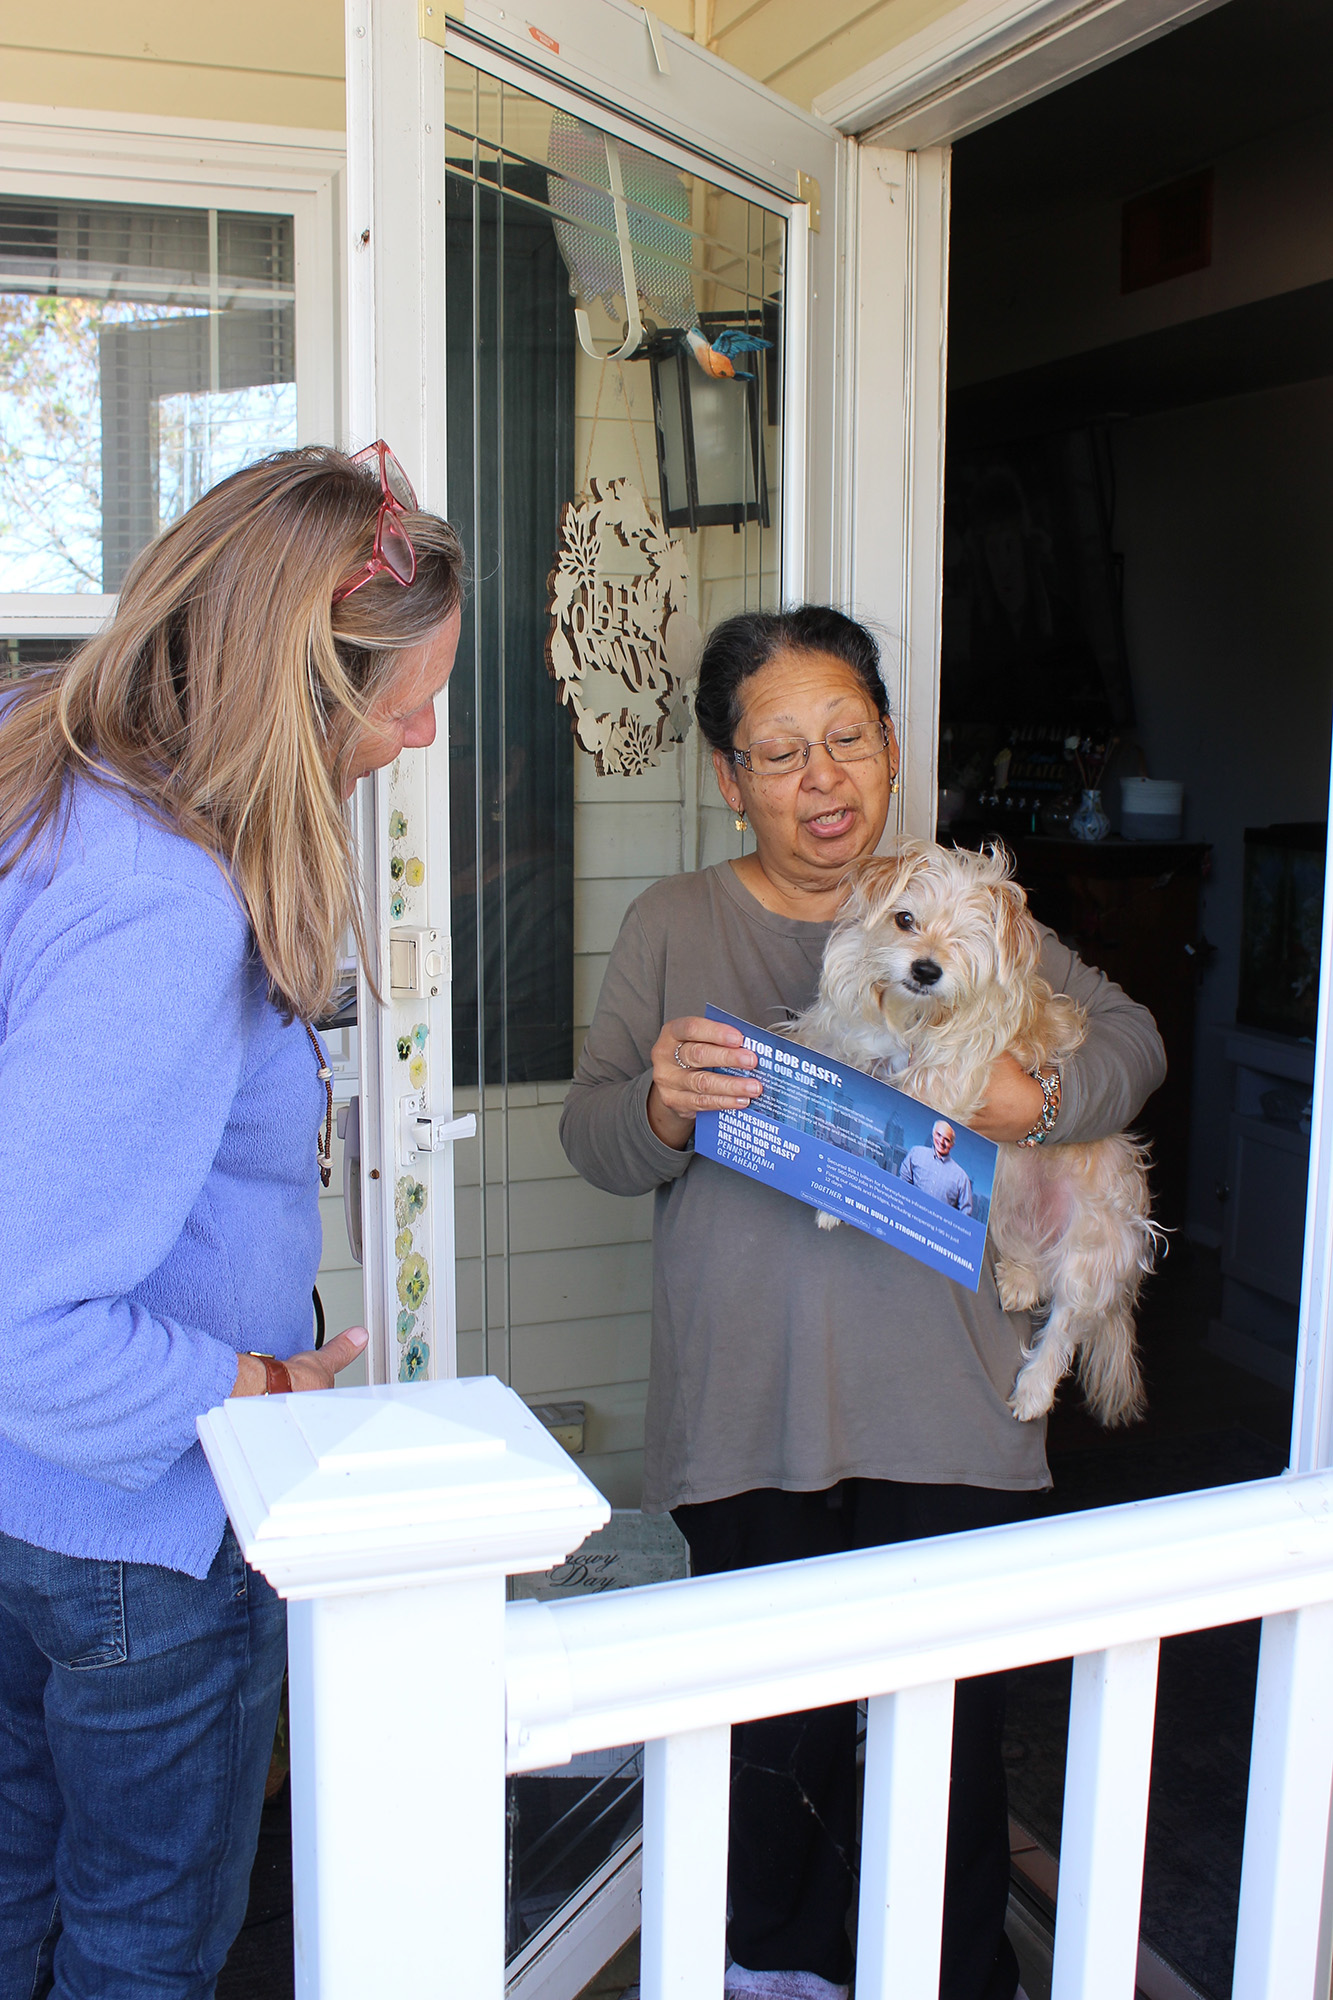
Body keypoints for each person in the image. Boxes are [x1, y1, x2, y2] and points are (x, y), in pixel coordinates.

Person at [560, 604, 1165, 2000]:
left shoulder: (957, 906)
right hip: (749, 1404)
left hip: (945, 1405)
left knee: (941, 1753)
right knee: (766, 1752)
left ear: (890, 747)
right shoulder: (674, 923)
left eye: (846, 739)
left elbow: (1128, 1039)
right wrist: (654, 1104)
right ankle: (775, 1973)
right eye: (779, 753)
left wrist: (1046, 1093)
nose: (821, 778)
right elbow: (594, 1143)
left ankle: (943, 1978)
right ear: (728, 776)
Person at [0, 443, 465, 1999]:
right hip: (124, 1536)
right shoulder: (164, 899)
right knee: (143, 1943)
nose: (419, 732)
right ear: (298, 689)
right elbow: (21, 1318)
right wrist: (252, 1389)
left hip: (20, 1522)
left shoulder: (49, 778)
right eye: (403, 699)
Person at [901, 1119, 974, 1214]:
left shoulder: (961, 1177)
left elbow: (965, 1212)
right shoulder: (916, 1153)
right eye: (939, 1135)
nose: (941, 1141)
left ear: (952, 1144)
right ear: (933, 1134)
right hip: (909, 1214)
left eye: (947, 1140)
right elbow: (902, 1184)